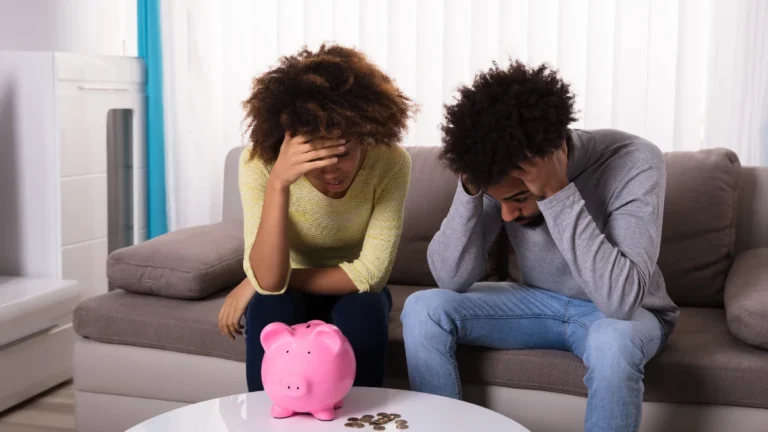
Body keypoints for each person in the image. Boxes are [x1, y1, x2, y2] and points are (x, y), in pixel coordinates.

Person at [400, 60, 680, 432]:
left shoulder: (633, 159)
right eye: (499, 200)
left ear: (555, 152)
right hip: (535, 300)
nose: (508, 215)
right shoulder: (498, 168)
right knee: (423, 307)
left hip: (621, 316)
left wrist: (556, 193)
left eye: (518, 198)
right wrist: (470, 189)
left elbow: (620, 301)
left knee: (613, 341)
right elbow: (450, 278)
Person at [217, 44, 416, 392]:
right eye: (315, 159)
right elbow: (270, 283)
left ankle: (361, 422)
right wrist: (279, 183)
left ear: (365, 138)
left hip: (353, 292)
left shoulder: (390, 162)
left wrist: (254, 281)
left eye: (343, 153)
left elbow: (369, 274)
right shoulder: (260, 164)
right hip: (284, 290)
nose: (332, 171)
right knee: (268, 309)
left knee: (363, 311)